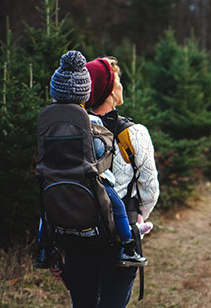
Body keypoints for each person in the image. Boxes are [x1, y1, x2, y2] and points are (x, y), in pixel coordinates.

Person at [55, 54, 159, 307]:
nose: (121, 85)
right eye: (118, 80)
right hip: (118, 242)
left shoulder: (69, 131)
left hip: (77, 237)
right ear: (111, 90)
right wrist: (138, 217)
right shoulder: (134, 133)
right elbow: (150, 191)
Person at [34, 50, 149, 270]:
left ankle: (43, 248)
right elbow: (99, 149)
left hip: (53, 174)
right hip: (87, 174)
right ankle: (127, 246)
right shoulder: (90, 120)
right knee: (116, 204)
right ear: (84, 93)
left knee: (46, 210)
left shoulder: (47, 118)